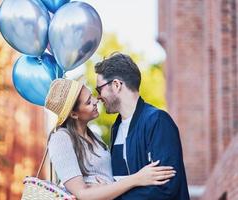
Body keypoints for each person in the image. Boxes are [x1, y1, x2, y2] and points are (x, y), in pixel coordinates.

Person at [45, 78, 176, 200]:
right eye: (88, 102)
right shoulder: (61, 139)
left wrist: (109, 185)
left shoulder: (95, 137)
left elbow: (108, 180)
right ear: (74, 114)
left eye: (92, 96)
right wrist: (137, 178)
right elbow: (82, 194)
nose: (96, 101)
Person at [94, 52, 190, 199]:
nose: (98, 97)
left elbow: (166, 188)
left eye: (99, 89)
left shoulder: (157, 121)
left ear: (116, 85)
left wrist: (111, 195)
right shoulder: (116, 128)